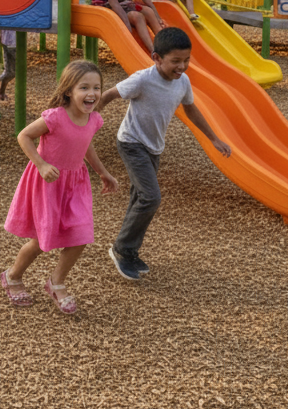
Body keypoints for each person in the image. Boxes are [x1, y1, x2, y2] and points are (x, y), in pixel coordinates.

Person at [96, 27, 231, 280]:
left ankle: (129, 250)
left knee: (140, 198)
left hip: (154, 147)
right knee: (150, 198)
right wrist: (88, 118)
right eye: (175, 61)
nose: (182, 66)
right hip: (131, 143)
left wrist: (214, 138)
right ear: (156, 57)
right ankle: (121, 249)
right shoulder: (142, 79)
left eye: (186, 60)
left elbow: (191, 110)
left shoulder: (183, 82)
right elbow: (110, 94)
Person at [0, 61, 118, 313]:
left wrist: (103, 173)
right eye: (84, 87)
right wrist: (41, 164)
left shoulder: (93, 119)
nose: (92, 93)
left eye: (96, 88)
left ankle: (56, 282)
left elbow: (85, 145)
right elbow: (24, 136)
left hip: (76, 183)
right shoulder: (55, 117)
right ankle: (13, 276)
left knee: (81, 235)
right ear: (68, 91)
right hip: (49, 183)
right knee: (43, 241)